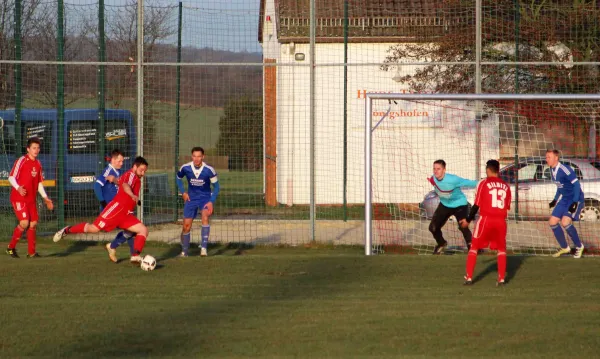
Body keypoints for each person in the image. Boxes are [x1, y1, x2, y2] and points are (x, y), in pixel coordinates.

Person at [53, 156, 150, 264]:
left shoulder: (134, 178)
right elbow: (126, 185)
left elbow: (121, 182)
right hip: (115, 209)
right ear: (135, 167)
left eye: (144, 171)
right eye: (141, 170)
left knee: (142, 230)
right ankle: (67, 230)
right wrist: (132, 194)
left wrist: (114, 180)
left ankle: (135, 256)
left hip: (126, 213)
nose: (143, 174)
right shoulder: (131, 175)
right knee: (93, 228)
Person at [460, 160, 512, 286]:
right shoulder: (506, 186)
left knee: (474, 247)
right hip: (500, 221)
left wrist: (467, 219)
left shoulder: (483, 183)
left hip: (486, 220)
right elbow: (507, 206)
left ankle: (469, 277)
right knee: (501, 249)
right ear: (498, 170)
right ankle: (501, 279)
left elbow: (476, 205)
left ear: (488, 170)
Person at [5, 137, 54, 258]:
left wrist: (45, 197)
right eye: (33, 148)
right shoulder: (21, 160)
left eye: (38, 148)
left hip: (31, 199)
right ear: (28, 149)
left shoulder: (38, 164)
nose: (36, 150)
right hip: (19, 198)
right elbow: (11, 177)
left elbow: (39, 183)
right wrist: (18, 188)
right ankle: (10, 248)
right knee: (24, 223)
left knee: (33, 223)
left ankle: (31, 253)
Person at [428, 159, 479, 254]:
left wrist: (485, 182)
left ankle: (472, 248)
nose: (436, 171)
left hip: (459, 204)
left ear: (444, 170)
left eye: (438, 169)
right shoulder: (433, 179)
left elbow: (470, 182)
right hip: (445, 205)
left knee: (463, 225)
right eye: (434, 169)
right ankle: (441, 243)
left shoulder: (453, 179)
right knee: (433, 228)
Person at [176, 146, 220, 257]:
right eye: (194, 156)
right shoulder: (185, 168)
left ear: (203, 157)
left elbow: (217, 187)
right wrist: (183, 192)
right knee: (186, 226)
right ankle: (184, 252)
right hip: (191, 199)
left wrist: (211, 201)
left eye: (199, 156)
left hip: (205, 199)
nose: (196, 159)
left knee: (205, 216)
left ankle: (204, 249)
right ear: (192, 156)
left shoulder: (209, 170)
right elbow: (178, 178)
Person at [545, 149, 585, 258]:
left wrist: (575, 202)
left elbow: (576, 185)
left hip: (575, 198)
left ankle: (579, 246)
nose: (546, 159)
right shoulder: (551, 170)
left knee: (565, 222)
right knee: (552, 221)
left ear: (556, 158)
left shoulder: (565, 169)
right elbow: (560, 186)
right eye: (546, 157)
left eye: (549, 157)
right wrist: (555, 199)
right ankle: (565, 248)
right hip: (565, 199)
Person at [94, 149, 134, 255]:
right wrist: (103, 203)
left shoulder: (117, 171)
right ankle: (67, 230)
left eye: (122, 161)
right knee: (93, 228)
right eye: (119, 161)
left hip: (119, 206)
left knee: (130, 228)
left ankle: (133, 254)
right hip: (111, 208)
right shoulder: (108, 171)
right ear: (113, 160)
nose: (121, 163)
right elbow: (97, 186)